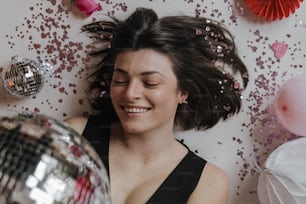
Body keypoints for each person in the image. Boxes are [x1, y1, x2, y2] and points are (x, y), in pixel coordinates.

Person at [65, 7, 248, 204]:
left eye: (150, 82)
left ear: (182, 92)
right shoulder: (74, 137)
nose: (130, 93)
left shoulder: (207, 182)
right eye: (120, 80)